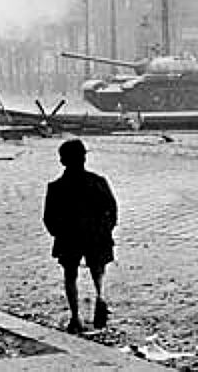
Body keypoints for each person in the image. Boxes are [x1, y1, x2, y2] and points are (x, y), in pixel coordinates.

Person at [43, 139, 118, 333]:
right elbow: (112, 209)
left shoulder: (56, 187)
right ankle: (100, 297)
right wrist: (105, 230)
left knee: (70, 275)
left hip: (69, 237)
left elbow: (49, 218)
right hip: (96, 235)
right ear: (84, 158)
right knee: (98, 269)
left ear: (62, 161)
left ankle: (76, 316)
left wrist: (59, 233)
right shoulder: (98, 182)